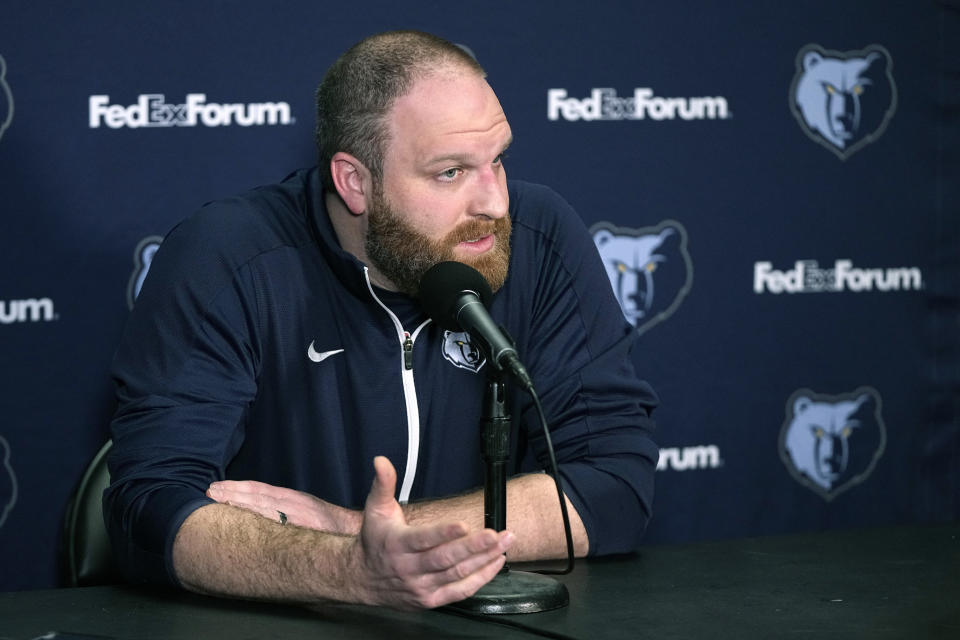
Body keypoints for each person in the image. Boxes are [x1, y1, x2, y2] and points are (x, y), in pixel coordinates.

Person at [105, 30, 658, 610]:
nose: (494, 204)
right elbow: (151, 508)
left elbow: (615, 485)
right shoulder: (231, 256)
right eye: (450, 173)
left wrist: (353, 533)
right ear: (354, 183)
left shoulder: (539, 239)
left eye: (496, 160)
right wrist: (345, 570)